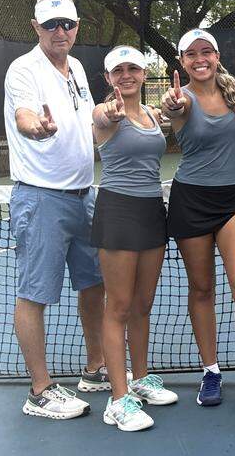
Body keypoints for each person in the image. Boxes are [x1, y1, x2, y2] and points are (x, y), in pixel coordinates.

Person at [5, 0, 107, 420]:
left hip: (84, 194)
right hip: (42, 197)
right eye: (51, 25)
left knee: (94, 284)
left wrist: (120, 114)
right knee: (35, 294)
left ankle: (96, 367)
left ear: (77, 26)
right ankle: (41, 391)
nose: (60, 31)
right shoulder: (23, 70)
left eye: (67, 24)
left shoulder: (79, 68)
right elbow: (25, 117)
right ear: (36, 28)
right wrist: (39, 130)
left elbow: (89, 120)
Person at [161, 29, 235, 413]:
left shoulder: (234, 94)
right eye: (191, 54)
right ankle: (212, 370)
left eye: (206, 52)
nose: (200, 59)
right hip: (191, 200)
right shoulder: (181, 98)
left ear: (216, 55)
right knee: (201, 289)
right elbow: (172, 109)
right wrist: (171, 105)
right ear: (183, 61)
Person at [91, 46, 178, 431]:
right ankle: (118, 398)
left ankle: (140, 380)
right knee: (119, 306)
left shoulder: (151, 115)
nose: (126, 75)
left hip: (151, 212)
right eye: (118, 71)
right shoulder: (107, 114)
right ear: (109, 78)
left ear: (144, 74)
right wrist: (107, 111)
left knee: (143, 303)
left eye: (133, 69)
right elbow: (99, 116)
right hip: (118, 212)